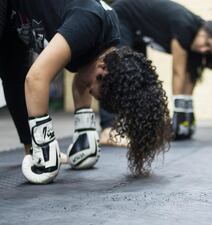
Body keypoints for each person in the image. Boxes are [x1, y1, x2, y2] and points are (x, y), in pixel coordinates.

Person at [0, 0, 171, 184]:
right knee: (27, 78)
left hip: (16, 13)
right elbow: (36, 78)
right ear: (102, 69)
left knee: (14, 74)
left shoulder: (102, 46)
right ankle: (39, 150)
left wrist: (85, 130)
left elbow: (82, 80)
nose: (88, 90)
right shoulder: (89, 22)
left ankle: (31, 150)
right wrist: (45, 146)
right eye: (92, 89)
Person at [99, 0, 212, 145]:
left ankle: (132, 129)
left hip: (137, 30)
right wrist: (177, 114)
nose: (203, 50)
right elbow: (178, 72)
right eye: (207, 43)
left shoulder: (196, 44)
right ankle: (108, 130)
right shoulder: (185, 25)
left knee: (139, 77)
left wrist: (186, 117)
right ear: (205, 29)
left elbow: (190, 77)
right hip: (122, 16)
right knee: (118, 70)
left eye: (209, 51)